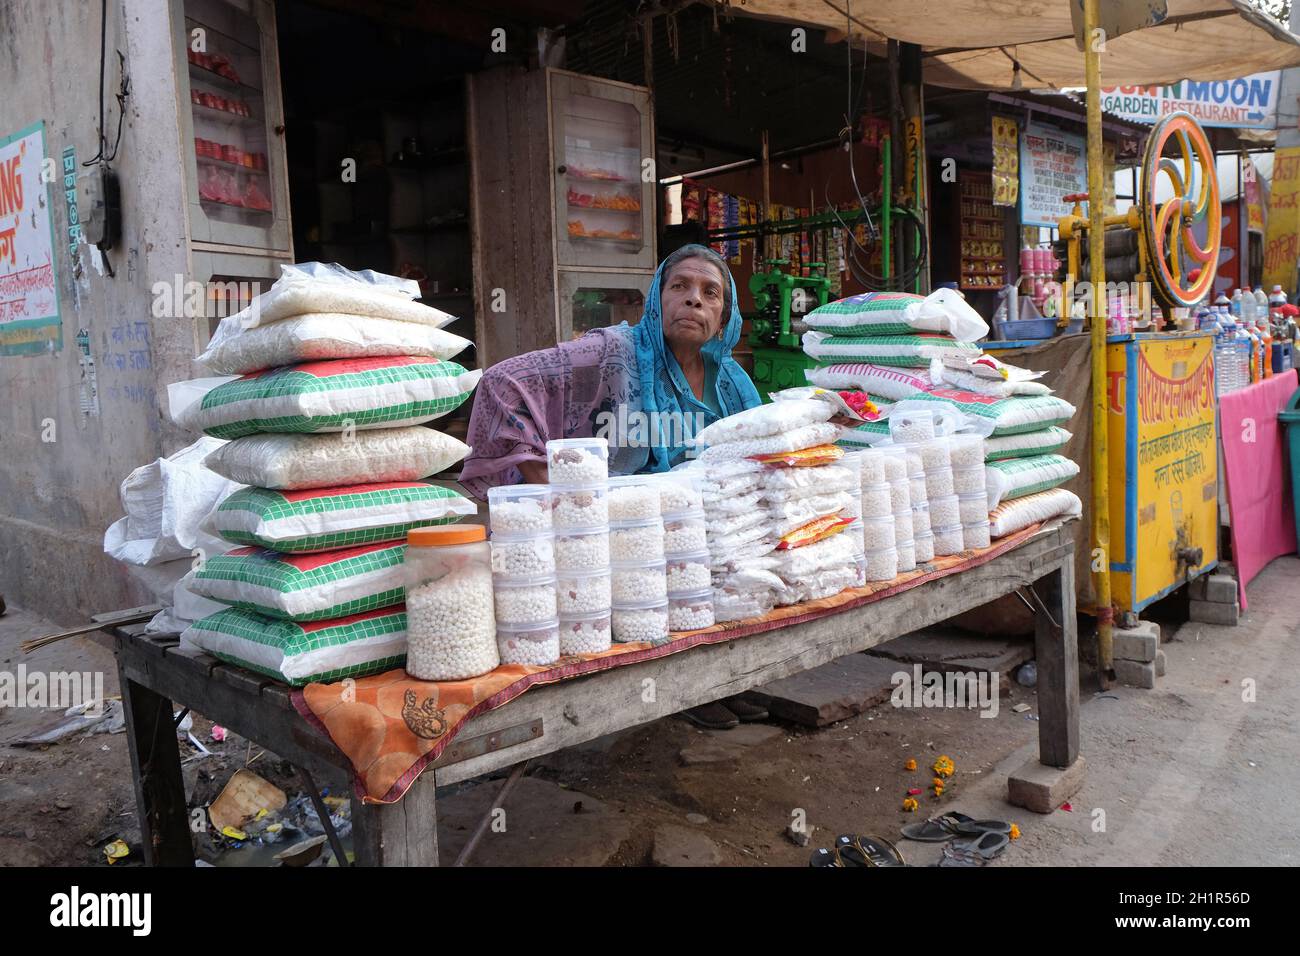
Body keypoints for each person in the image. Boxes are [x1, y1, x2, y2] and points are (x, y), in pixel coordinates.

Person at [461, 243, 767, 730]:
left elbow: (757, 454)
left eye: (711, 294)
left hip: (690, 525)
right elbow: (502, 380)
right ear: (656, 299)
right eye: (680, 287)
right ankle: (683, 688)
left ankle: (719, 677)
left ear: (724, 316)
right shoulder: (613, 354)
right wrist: (559, 484)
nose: (694, 301)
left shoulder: (730, 382)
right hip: (616, 526)